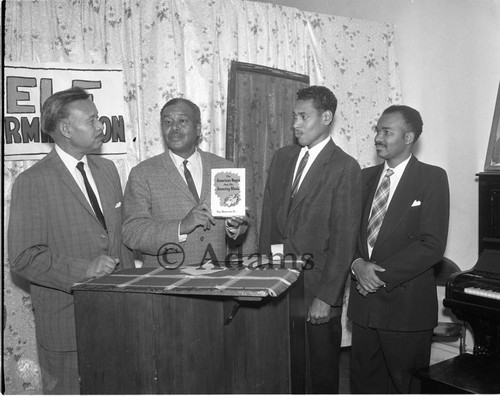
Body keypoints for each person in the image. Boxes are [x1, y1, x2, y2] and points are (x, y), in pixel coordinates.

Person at [8, 87, 134, 394]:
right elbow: (23, 257)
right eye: (91, 120)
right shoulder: (32, 181)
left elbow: (118, 241)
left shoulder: (107, 170)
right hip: (67, 327)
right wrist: (84, 269)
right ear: (65, 129)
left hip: (118, 319)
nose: (101, 125)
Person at [259, 85, 362, 393]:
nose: (296, 124)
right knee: (283, 369)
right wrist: (265, 275)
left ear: (326, 117)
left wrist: (327, 298)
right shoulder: (281, 158)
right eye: (294, 116)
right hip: (278, 284)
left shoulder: (345, 167)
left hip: (318, 291)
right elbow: (268, 224)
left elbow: (344, 240)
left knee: (319, 373)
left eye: (304, 117)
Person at [347, 105, 450, 393]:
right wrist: (357, 265)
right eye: (377, 130)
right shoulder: (363, 178)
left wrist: (375, 276)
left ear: (408, 137)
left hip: (405, 311)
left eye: (387, 131)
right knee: (364, 386)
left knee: (407, 387)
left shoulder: (432, 178)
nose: (378, 137)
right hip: (364, 307)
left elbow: (431, 244)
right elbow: (347, 235)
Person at [122, 98, 248, 267]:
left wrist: (235, 227)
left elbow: (241, 227)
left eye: (182, 121)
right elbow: (132, 233)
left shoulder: (225, 168)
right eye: (167, 122)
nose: (174, 128)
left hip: (216, 279)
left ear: (197, 128)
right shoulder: (142, 173)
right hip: (165, 282)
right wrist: (181, 226)